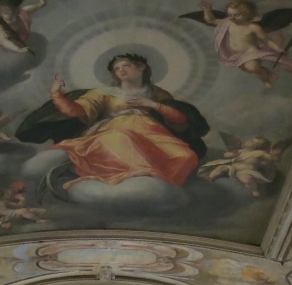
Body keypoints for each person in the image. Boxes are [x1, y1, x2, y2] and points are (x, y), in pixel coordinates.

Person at [16, 54, 209, 190]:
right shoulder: (104, 93)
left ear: (141, 67)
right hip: (114, 131)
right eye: (116, 68)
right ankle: (122, 183)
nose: (121, 70)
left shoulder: (158, 94)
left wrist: (153, 105)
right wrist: (56, 94)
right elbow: (75, 111)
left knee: (186, 156)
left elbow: (180, 119)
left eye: (125, 65)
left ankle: (161, 188)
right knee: (124, 139)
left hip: (153, 134)